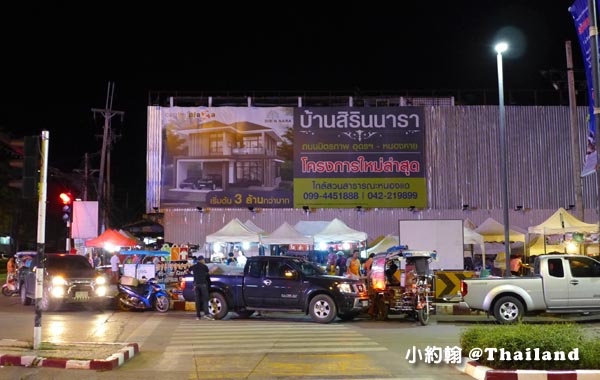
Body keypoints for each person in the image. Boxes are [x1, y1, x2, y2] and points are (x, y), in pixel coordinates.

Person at [189, 256, 214, 320]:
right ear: (202, 260)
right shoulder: (204, 267)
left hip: (196, 285)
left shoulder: (194, 266)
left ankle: (198, 316)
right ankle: (206, 314)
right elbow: (208, 274)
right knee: (205, 299)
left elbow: (188, 270)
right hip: (203, 284)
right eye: (203, 260)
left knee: (197, 300)